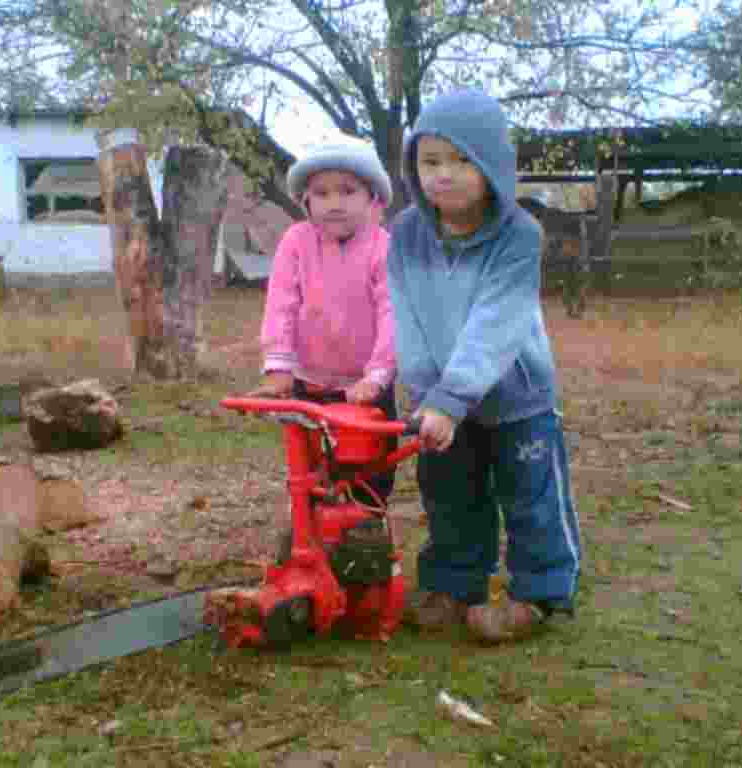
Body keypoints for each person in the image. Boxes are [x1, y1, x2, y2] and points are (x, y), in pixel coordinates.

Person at [387, 89, 582, 643]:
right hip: (443, 404)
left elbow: (497, 323)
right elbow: (407, 315)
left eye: (461, 159)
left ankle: (541, 595)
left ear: (493, 165)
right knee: (449, 496)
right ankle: (453, 585)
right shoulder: (405, 234)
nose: (444, 174)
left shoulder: (518, 235)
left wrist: (453, 396)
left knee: (531, 497)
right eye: (430, 161)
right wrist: (429, 393)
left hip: (517, 398)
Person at [249, 139, 398, 504]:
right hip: (308, 383)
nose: (334, 203)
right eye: (321, 193)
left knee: (370, 476)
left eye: (348, 191)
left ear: (372, 197)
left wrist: (378, 375)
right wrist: (279, 366)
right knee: (313, 476)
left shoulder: (384, 247)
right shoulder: (296, 242)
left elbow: (392, 314)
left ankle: (370, 544)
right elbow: (281, 304)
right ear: (306, 201)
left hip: (367, 387)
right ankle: (317, 544)